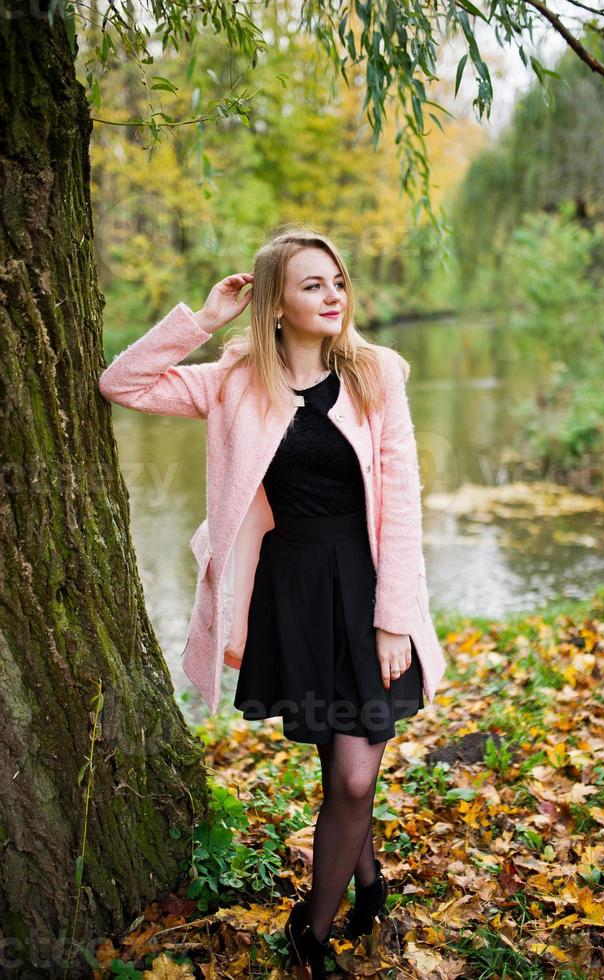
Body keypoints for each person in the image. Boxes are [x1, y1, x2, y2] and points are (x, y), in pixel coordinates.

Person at [98, 226, 446, 979]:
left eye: (338, 282)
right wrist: (206, 320)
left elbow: (403, 501)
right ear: (276, 303)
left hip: (366, 584)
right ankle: (369, 883)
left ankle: (308, 938)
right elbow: (121, 383)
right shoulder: (234, 380)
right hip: (290, 588)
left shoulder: (376, 373)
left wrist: (393, 618)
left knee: (355, 773)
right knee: (335, 751)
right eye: (312, 284)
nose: (333, 296)